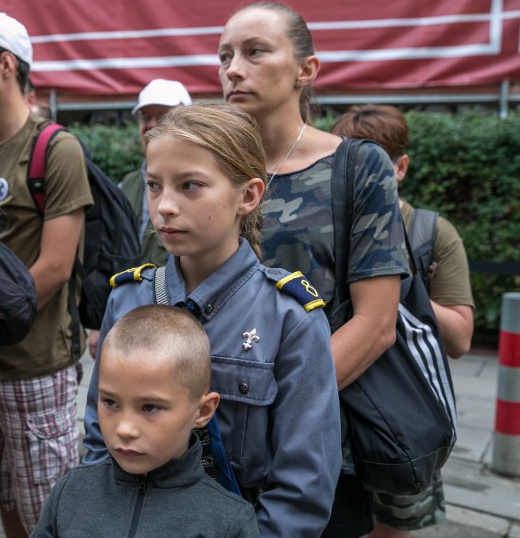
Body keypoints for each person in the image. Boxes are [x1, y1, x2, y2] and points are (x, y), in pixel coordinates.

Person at [83, 100, 341, 537]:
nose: (163, 206)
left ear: (248, 195)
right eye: (153, 185)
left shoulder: (289, 318)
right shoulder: (127, 300)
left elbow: (303, 485)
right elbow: (97, 438)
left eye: (190, 186)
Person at [217, 2, 409, 537]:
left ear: (307, 70)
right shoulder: (206, 168)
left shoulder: (358, 166)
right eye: (225, 55)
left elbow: (375, 325)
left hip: (314, 446)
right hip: (209, 441)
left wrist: (269, 412)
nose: (233, 68)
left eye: (255, 51)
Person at [0, 10, 92, 537]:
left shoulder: (55, 147)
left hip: (36, 365)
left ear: (6, 65)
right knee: (5, 498)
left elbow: (54, 267)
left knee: (49, 514)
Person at [330, 104, 475, 538]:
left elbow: (462, 338)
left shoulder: (432, 232)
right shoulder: (329, 221)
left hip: (400, 407)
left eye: (375, 162)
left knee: (392, 526)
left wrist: (394, 292)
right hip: (338, 405)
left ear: (401, 167)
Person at [34, 305, 259, 538]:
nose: (124, 429)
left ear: (202, 411)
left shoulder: (228, 522)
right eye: (110, 402)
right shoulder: (71, 492)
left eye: (150, 407)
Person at [120, 78, 192, 268]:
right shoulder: (127, 184)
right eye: (145, 117)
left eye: (162, 116)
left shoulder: (202, 182)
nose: (151, 125)